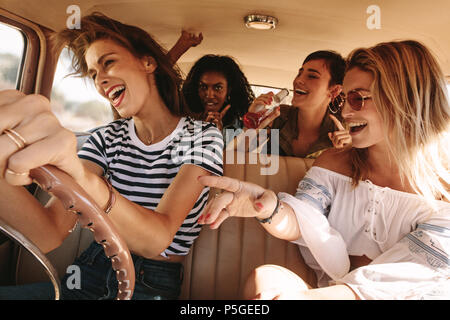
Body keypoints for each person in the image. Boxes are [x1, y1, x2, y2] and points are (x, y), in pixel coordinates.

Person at [197, 40, 450, 299]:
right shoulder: (332, 162)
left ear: (401, 98)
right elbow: (305, 217)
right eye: (345, 99)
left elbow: (402, 280)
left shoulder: (444, 191)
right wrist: (267, 207)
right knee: (264, 279)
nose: (347, 111)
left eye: (358, 98)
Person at [0, 12, 223, 300]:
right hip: (89, 268)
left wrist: (83, 181)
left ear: (148, 62)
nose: (101, 80)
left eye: (108, 63)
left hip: (151, 281)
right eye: (94, 74)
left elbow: (158, 238)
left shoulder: (202, 135)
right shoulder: (106, 137)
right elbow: (49, 232)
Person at [237, 50, 349, 158]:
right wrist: (251, 121)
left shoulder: (344, 131)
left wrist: (351, 151)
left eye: (312, 76)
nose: (298, 80)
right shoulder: (277, 116)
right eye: (299, 74)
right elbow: (234, 156)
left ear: (334, 91)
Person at [182, 54, 255, 137]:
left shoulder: (241, 126)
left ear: (229, 90)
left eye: (218, 88)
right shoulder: (182, 121)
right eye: (203, 87)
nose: (209, 95)